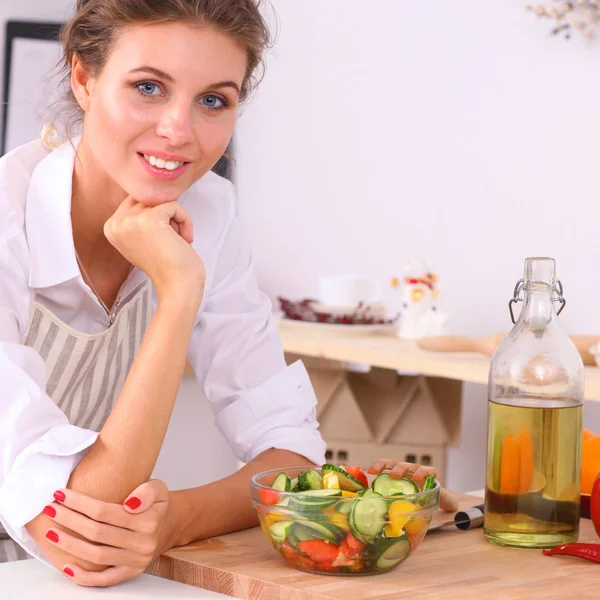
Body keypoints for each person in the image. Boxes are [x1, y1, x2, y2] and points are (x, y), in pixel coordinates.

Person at [0, 0, 440, 587]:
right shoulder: (8, 219)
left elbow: (291, 452)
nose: (179, 132)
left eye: (213, 100)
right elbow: (81, 533)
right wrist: (179, 292)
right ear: (83, 78)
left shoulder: (208, 209)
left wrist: (173, 518)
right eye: (149, 87)